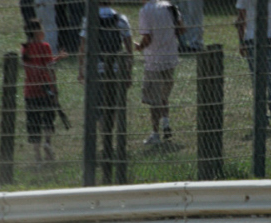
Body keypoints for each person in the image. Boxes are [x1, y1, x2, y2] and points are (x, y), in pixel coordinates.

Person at [78, 0, 134, 183]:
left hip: (96, 70)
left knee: (98, 109)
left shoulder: (89, 19)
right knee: (113, 107)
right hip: (116, 69)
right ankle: (111, 143)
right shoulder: (121, 18)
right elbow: (128, 48)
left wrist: (81, 70)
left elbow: (83, 47)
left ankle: (102, 143)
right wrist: (128, 72)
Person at [135, 0, 184, 146]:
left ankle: (155, 133)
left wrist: (139, 47)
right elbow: (181, 29)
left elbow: (147, 38)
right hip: (170, 57)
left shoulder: (145, 10)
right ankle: (166, 124)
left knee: (153, 100)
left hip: (154, 61)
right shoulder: (170, 7)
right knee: (164, 95)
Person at [22, 18, 67, 163]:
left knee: (33, 122)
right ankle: (47, 142)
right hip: (45, 89)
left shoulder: (25, 48)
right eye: (41, 28)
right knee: (48, 118)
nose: (43, 31)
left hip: (30, 91)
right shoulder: (45, 46)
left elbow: (34, 65)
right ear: (36, 31)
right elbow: (48, 67)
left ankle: (37, 156)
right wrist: (55, 89)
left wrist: (56, 58)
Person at [235, 0, 271, 128]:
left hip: (267, 38)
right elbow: (241, 19)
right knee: (263, 78)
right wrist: (241, 41)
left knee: (269, 78)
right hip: (254, 39)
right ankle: (265, 116)